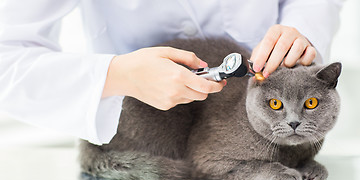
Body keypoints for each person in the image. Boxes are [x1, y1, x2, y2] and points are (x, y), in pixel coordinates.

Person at [0, 0, 343, 145]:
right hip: (141, 132)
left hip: (273, 131)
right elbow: (7, 58)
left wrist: (302, 30)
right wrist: (116, 74)